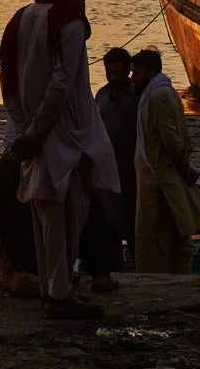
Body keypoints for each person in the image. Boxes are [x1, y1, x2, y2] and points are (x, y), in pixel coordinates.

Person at [0, 0, 119, 320]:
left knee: (45, 213)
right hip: (63, 129)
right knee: (66, 215)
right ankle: (60, 292)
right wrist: (34, 131)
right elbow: (64, 82)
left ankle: (56, 289)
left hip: (37, 127)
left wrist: (24, 127)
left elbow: (7, 81)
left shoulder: (20, 18)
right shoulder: (68, 21)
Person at [131, 47, 200, 272]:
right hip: (160, 177)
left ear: (151, 71)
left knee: (157, 235)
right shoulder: (164, 92)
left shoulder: (157, 96)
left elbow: (171, 139)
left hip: (160, 179)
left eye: (136, 73)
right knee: (173, 231)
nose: (133, 78)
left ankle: (162, 281)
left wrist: (183, 166)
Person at [86, 47, 137, 281]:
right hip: (106, 171)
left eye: (118, 73)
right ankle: (114, 269)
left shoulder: (137, 97)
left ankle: (139, 266)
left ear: (128, 70)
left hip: (131, 170)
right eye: (109, 73)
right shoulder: (102, 95)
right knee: (108, 225)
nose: (113, 78)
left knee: (134, 223)